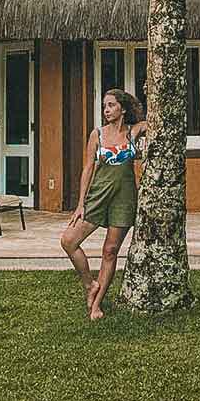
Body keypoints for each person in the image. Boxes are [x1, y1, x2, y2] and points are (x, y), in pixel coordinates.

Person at [60, 88, 146, 320]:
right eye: (105, 106)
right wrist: (80, 204)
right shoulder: (97, 134)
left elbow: (157, 120)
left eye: (111, 105)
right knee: (68, 241)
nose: (106, 110)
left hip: (124, 197)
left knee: (110, 251)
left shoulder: (134, 131)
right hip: (98, 195)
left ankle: (96, 305)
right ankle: (90, 285)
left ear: (123, 108)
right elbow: (87, 169)